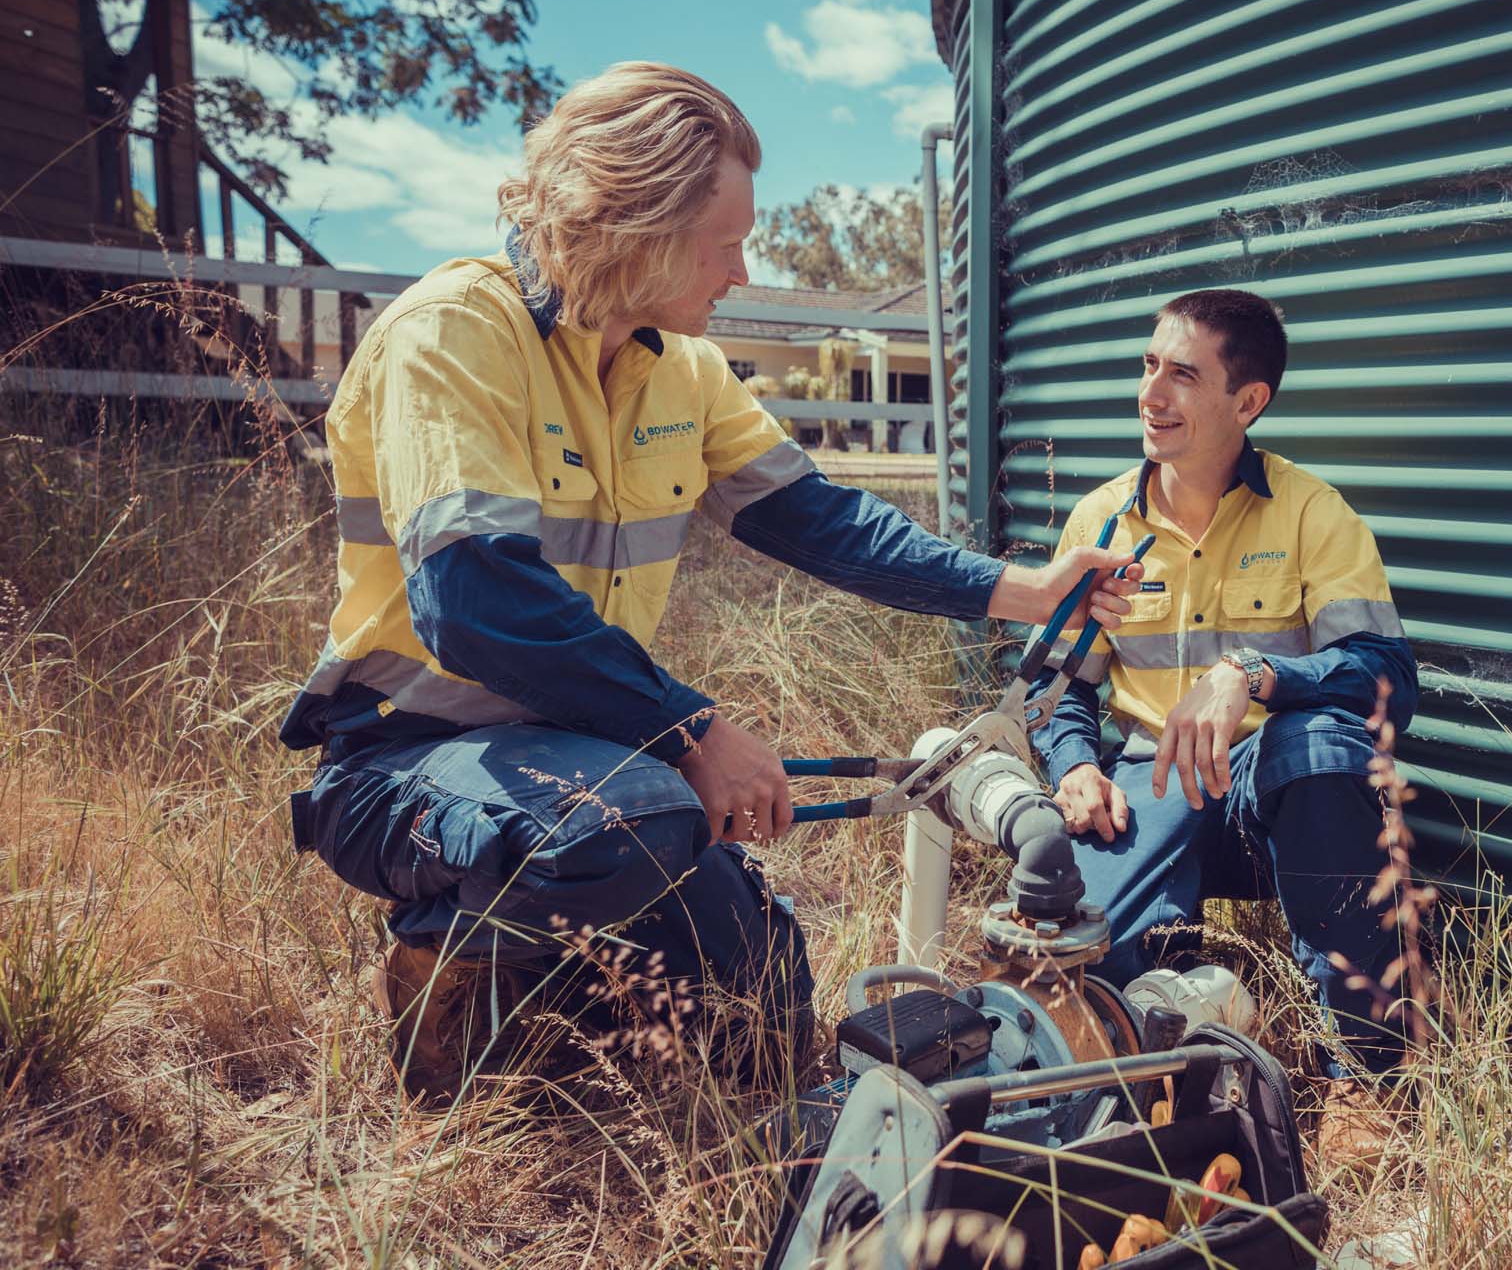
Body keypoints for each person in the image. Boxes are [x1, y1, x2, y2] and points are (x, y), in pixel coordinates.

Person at [281, 62, 1133, 1101]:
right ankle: (443, 986)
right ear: (631, 223)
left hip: (586, 756)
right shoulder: (454, 333)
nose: (738, 271)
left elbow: (826, 522)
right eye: (723, 243)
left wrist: (1029, 591)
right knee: (629, 827)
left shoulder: (680, 367)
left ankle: (559, 1003)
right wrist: (689, 732)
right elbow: (472, 601)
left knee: (763, 1002)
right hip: (408, 759)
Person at [1026, 288, 1419, 1087]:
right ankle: (1176, 1077)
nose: (1149, 395)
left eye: (1181, 375)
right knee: (1088, 961)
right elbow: (1057, 686)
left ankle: (1366, 1079)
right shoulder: (1101, 522)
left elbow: (1389, 679)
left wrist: (1252, 673)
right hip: (1149, 784)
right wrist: (1073, 765)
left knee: (1321, 748)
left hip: (1269, 792)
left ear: (1248, 401)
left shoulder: (1315, 514)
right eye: (1147, 366)